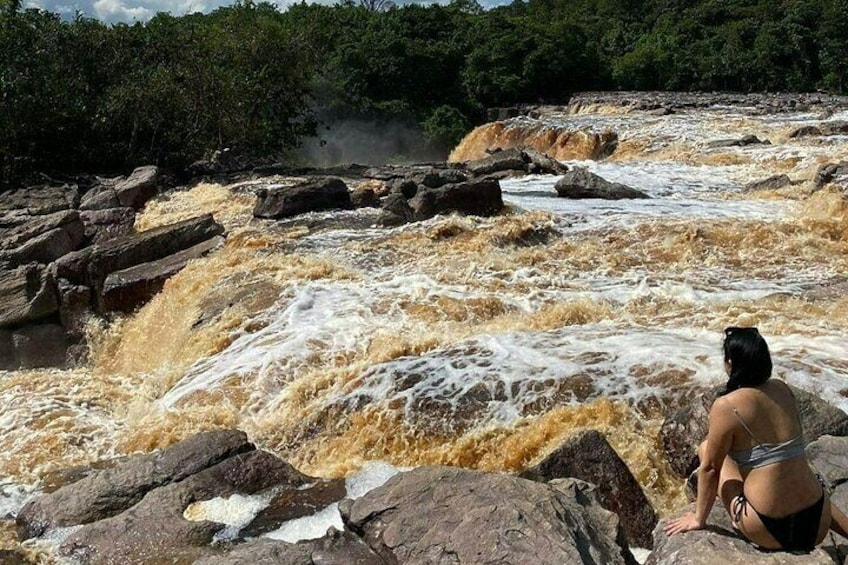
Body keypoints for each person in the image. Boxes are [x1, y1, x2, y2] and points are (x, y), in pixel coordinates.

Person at [665, 326, 848, 551]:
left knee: (707, 450)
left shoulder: (726, 406)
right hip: (817, 523)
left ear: (731, 363)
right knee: (801, 472)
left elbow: (711, 469)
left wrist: (698, 519)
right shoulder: (782, 389)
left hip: (769, 528)